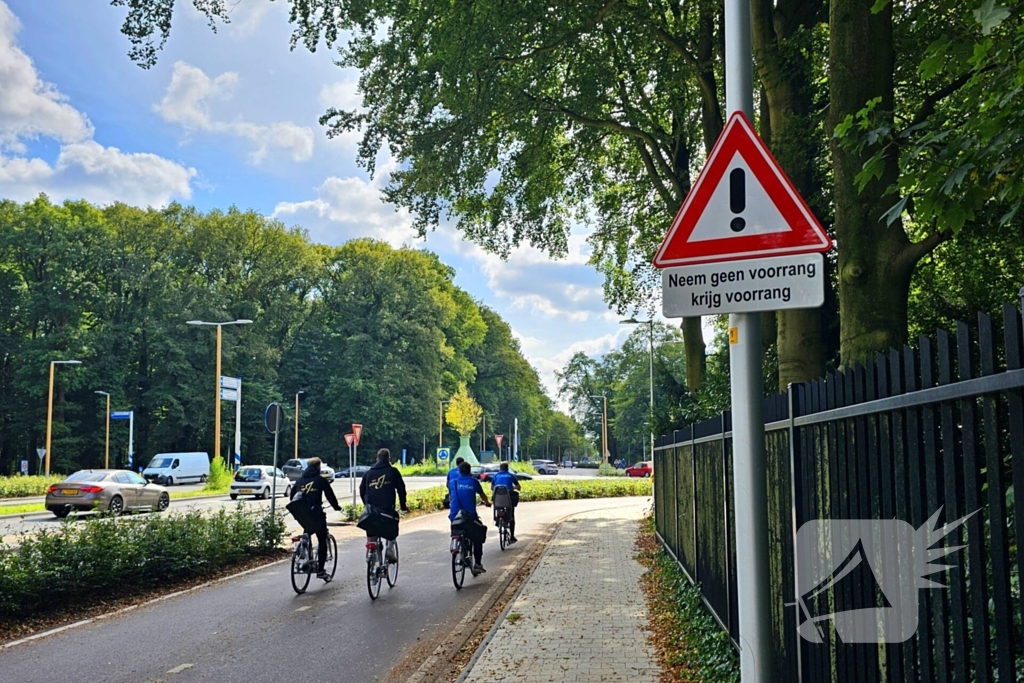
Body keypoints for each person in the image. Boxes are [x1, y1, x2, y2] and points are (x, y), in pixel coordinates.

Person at [294, 457, 342, 579]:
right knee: (322, 539)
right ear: (318, 467)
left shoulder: (300, 480)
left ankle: (304, 551)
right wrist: (336, 507)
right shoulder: (320, 480)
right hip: (316, 514)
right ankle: (320, 570)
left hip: (302, 513)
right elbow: (330, 496)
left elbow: (292, 497)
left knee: (307, 529)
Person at [359, 448, 409, 561]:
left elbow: (362, 490)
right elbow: (401, 489)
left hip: (371, 511)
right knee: (392, 527)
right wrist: (403, 506)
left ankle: (370, 553)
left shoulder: (368, 473)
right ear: (388, 459)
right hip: (387, 510)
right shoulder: (393, 471)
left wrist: (366, 505)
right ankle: (389, 550)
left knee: (371, 530)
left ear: (377, 459)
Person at [449, 460, 490, 575]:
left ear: (459, 471)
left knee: (458, 531)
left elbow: (452, 497)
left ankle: (458, 545)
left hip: (454, 517)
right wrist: (487, 502)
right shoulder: (473, 482)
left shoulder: (453, 482)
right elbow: (482, 495)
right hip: (469, 517)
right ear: (470, 471)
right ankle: (477, 563)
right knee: (478, 536)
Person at [489, 462, 520, 544]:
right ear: (507, 468)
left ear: (500, 468)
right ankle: (512, 536)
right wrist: (512, 487)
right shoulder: (511, 475)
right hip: (508, 498)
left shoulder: (495, 476)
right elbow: (518, 487)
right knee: (512, 515)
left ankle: (497, 519)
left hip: (497, 499)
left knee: (497, 507)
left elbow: (492, 488)